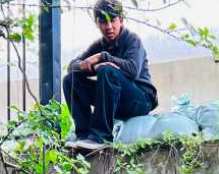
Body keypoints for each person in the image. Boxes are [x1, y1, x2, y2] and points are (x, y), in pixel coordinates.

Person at [61, 0, 158, 151]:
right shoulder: (99, 44)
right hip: (113, 102)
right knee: (70, 80)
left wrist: (102, 57)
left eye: (112, 20)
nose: (109, 27)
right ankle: (83, 136)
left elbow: (132, 70)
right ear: (97, 23)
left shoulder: (132, 40)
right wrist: (90, 66)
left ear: (121, 20)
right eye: (103, 22)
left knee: (107, 70)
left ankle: (101, 137)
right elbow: (72, 67)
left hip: (139, 100)